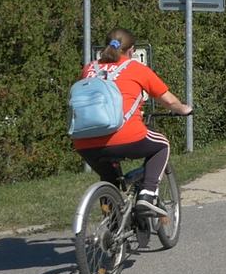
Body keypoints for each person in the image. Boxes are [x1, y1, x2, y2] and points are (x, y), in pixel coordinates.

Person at [73, 28, 192, 218]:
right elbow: (168, 101)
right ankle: (148, 194)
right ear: (132, 50)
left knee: (108, 178)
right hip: (126, 136)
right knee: (161, 145)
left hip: (85, 143)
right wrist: (184, 109)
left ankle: (111, 227)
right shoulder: (136, 68)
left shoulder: (88, 69)